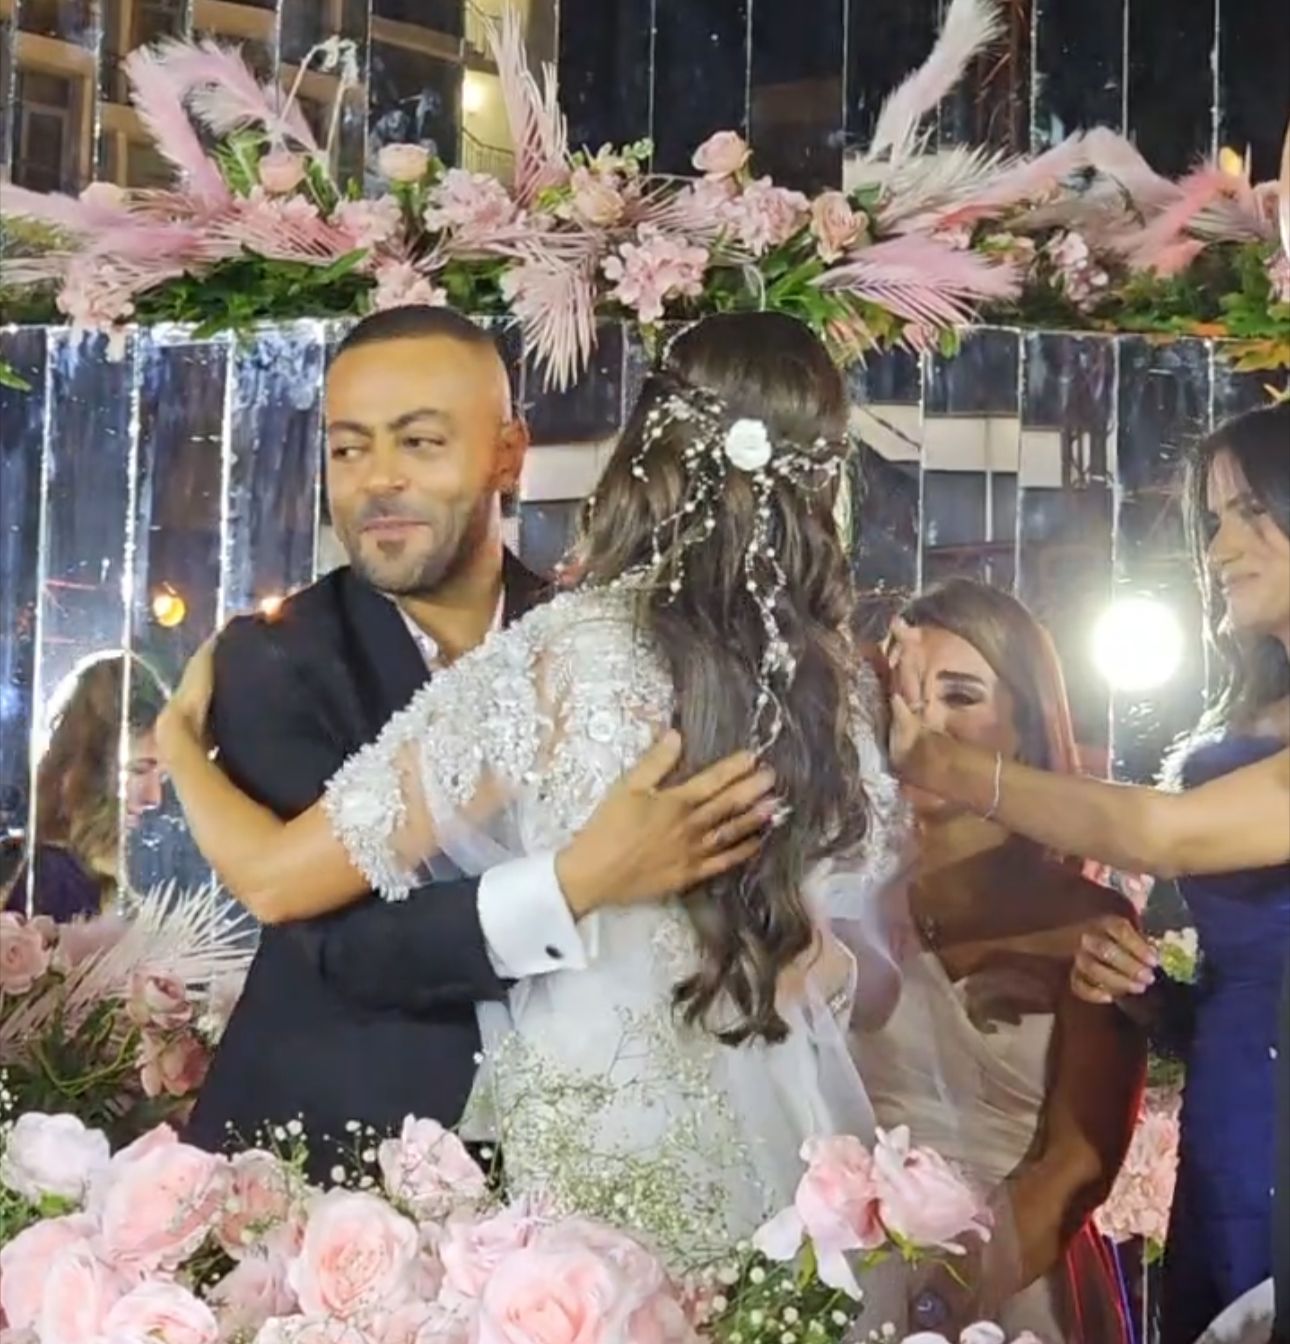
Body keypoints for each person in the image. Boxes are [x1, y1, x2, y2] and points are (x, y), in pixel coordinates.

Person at [159, 311, 908, 1269]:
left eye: (419, 443)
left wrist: (175, 742)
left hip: (599, 1149)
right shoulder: (274, 659)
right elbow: (341, 945)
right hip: (356, 1168)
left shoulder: (584, 639)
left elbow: (274, 875)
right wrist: (587, 881)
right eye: (348, 448)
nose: (379, 478)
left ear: (511, 454)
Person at [888, 402, 1290, 1343]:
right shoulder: (1256, 709)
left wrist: (937, 761)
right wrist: (1155, 1000)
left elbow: (1160, 833)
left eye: (1250, 513)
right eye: (1213, 521)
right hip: (1232, 1120)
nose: (1219, 548)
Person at [848, 579, 1139, 1342]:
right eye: (905, 697)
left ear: (1025, 727)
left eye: (960, 696)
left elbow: (1079, 1162)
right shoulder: (833, 902)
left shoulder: (1086, 922)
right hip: (841, 1272)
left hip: (1016, 1292)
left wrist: (946, 1303)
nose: (925, 724)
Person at [2, 652, 167, 920]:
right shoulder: (55, 879)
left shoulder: (76, 873)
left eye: (163, 776)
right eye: (137, 770)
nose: (154, 797)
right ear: (85, 770)